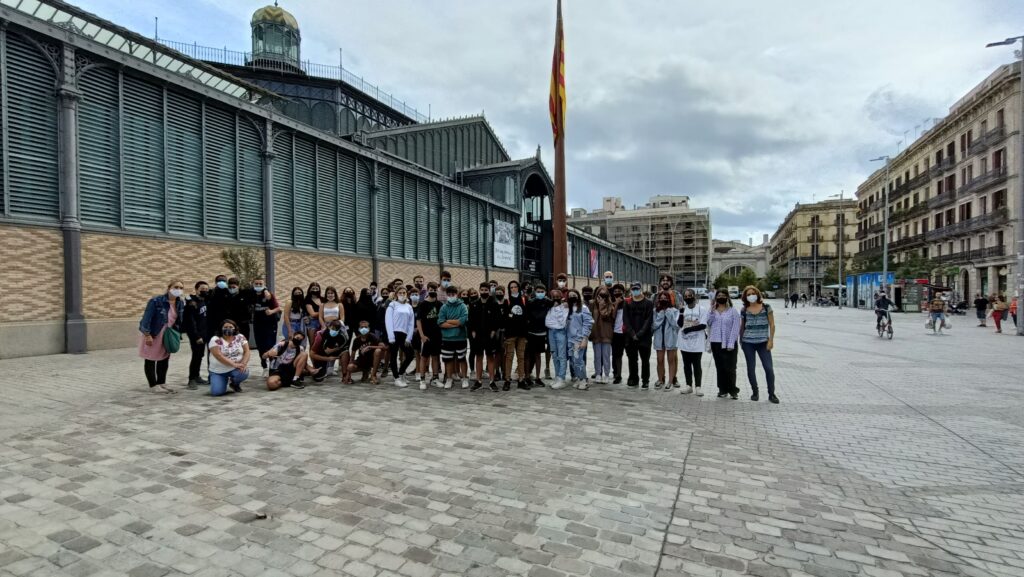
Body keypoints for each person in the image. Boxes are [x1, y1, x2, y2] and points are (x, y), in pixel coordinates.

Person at [139, 279, 186, 394]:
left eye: (181, 288)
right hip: (154, 332)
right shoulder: (156, 301)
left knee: (164, 358)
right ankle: (153, 385)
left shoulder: (180, 302)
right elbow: (146, 318)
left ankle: (162, 382)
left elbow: (179, 320)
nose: (178, 290)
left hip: (168, 334)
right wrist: (147, 334)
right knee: (151, 358)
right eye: (175, 287)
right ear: (169, 288)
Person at [739, 286, 778, 404]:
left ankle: (772, 394)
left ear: (758, 294)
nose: (751, 295)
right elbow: (742, 326)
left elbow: (772, 324)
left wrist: (771, 340)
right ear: (745, 297)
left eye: (753, 293)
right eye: (749, 294)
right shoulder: (744, 309)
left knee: (769, 368)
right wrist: (740, 341)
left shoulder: (766, 307)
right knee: (751, 368)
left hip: (763, 343)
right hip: (748, 343)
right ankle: (755, 392)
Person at [469, 282, 503, 391]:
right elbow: (471, 320)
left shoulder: (494, 304)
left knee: (490, 358)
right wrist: (473, 331)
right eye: (482, 290)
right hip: (478, 336)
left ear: (489, 291)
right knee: (478, 357)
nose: (484, 292)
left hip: (490, 336)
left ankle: (492, 381)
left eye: (486, 290)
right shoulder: (474, 304)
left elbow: (498, 319)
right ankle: (478, 381)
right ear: (479, 290)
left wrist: (493, 330)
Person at [707, 289, 740, 399]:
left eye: (723, 295)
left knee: (730, 368)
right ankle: (722, 389)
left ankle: (732, 390)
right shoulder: (713, 310)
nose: (721, 297)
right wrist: (711, 310)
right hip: (716, 342)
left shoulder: (733, 311)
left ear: (727, 297)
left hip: (729, 343)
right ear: (716, 298)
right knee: (720, 367)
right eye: (719, 295)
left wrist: (731, 343)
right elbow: (709, 323)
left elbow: (735, 328)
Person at [623, 282, 654, 389]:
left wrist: (640, 334)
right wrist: (632, 333)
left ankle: (645, 380)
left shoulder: (648, 303)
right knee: (632, 359)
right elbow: (625, 320)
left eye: (637, 288)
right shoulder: (627, 303)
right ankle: (633, 378)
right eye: (633, 289)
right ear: (631, 290)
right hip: (630, 337)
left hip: (644, 337)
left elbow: (648, 320)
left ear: (640, 289)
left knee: (645, 360)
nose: (635, 291)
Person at [207, 318, 251, 397]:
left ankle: (234, 383)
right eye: (225, 327)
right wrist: (234, 364)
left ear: (235, 328)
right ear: (221, 328)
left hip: (235, 368)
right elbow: (218, 355)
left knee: (244, 372)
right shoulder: (215, 339)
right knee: (216, 392)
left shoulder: (240, 337)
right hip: (218, 370)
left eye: (231, 327)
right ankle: (221, 380)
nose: (228, 329)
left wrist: (243, 363)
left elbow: (247, 351)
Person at [677, 288, 708, 396]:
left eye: (690, 295)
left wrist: (689, 329)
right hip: (684, 342)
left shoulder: (702, 309)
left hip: (697, 342)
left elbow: (703, 325)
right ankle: (689, 386)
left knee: (697, 364)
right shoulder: (683, 309)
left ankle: (698, 387)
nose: (687, 297)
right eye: (685, 296)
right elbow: (680, 324)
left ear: (694, 296)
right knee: (686, 365)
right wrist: (681, 312)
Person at [438, 285, 469, 389]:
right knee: (448, 360)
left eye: (453, 294)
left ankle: (464, 378)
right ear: (447, 295)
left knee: (462, 359)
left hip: (460, 338)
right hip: (447, 339)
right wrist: (456, 324)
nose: (451, 296)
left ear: (457, 295)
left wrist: (448, 321)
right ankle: (449, 379)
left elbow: (463, 321)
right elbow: (441, 322)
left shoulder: (462, 306)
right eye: (449, 294)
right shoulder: (444, 307)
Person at [502, 280, 530, 391]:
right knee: (509, 357)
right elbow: (505, 318)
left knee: (521, 357)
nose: (513, 289)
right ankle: (507, 380)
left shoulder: (524, 300)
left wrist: (526, 334)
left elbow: (527, 317)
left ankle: (521, 380)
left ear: (518, 288)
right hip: (510, 334)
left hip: (522, 334)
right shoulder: (507, 301)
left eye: (515, 287)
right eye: (511, 287)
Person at [385, 287, 416, 388]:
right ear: (396, 294)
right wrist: (391, 337)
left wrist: (409, 337)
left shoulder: (409, 306)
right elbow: (388, 320)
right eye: (400, 292)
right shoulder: (392, 304)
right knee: (393, 356)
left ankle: (401, 372)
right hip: (394, 333)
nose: (402, 294)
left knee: (410, 354)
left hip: (404, 334)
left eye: (404, 292)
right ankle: (396, 377)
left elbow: (411, 323)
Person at [250, 278, 281, 378]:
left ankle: (273, 367)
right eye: (256, 283)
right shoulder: (251, 294)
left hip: (270, 324)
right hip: (257, 324)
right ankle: (264, 367)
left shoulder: (269, 295)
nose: (258, 285)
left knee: (270, 345)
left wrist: (271, 312)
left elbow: (278, 308)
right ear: (253, 284)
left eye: (260, 284)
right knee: (260, 346)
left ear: (264, 285)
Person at [182, 281, 210, 390]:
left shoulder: (206, 300)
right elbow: (190, 321)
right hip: (196, 334)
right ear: (197, 289)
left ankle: (197, 376)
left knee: (201, 355)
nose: (205, 291)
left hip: (206, 332)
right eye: (202, 288)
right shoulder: (191, 302)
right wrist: (196, 336)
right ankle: (191, 379)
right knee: (196, 355)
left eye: (206, 289)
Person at [565, 289, 594, 390]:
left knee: (578, 360)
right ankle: (578, 378)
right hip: (569, 339)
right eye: (570, 295)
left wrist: (585, 338)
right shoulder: (567, 309)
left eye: (574, 295)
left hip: (579, 339)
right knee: (573, 361)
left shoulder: (584, 308)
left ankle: (583, 380)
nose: (572, 297)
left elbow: (588, 323)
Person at [416, 287, 443, 390]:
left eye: (435, 289)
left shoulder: (440, 304)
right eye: (431, 289)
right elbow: (418, 320)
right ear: (428, 290)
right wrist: (422, 335)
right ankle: (422, 379)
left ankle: (435, 378)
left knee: (435, 357)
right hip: (426, 336)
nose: (433, 291)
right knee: (424, 357)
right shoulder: (423, 304)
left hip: (437, 335)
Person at [652, 290, 680, 389]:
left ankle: (670, 381)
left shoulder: (674, 311)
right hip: (659, 339)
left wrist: (668, 314)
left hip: (670, 339)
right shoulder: (655, 311)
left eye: (665, 298)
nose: (663, 299)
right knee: (660, 360)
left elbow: (676, 326)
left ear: (669, 299)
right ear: (659, 299)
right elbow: (654, 326)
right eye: (661, 298)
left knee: (671, 360)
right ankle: (660, 380)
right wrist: (661, 315)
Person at [309, 319, 349, 383]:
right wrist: (327, 359)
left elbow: (343, 348)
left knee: (345, 352)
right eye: (333, 328)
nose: (334, 331)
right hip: (321, 354)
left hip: (334, 351)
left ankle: (345, 375)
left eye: (337, 329)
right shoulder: (320, 336)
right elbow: (312, 354)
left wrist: (334, 350)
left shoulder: (342, 336)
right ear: (328, 326)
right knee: (318, 378)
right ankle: (308, 370)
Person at [347, 320, 386, 384]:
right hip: (362, 360)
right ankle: (365, 371)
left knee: (378, 351)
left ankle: (373, 375)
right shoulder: (356, 340)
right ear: (359, 329)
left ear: (369, 328)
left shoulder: (373, 336)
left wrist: (370, 347)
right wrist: (348, 374)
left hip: (373, 359)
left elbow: (384, 347)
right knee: (350, 367)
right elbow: (352, 355)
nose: (364, 329)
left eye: (365, 327)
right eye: (362, 327)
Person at [590, 285, 616, 384]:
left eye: (604, 294)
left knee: (606, 356)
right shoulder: (592, 304)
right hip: (596, 333)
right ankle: (598, 374)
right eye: (600, 294)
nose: (602, 296)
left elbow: (606, 316)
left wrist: (602, 305)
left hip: (606, 333)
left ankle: (606, 374)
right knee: (597, 356)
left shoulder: (610, 305)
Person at [545, 288, 570, 389]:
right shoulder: (549, 307)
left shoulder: (564, 307)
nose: (555, 299)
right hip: (551, 332)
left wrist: (557, 309)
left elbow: (562, 321)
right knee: (554, 355)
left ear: (561, 297)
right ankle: (557, 377)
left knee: (561, 355)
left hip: (560, 333)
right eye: (553, 297)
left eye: (557, 297)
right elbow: (547, 321)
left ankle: (562, 378)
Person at [610, 283, 627, 385]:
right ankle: (617, 374)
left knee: (629, 355)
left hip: (626, 333)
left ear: (623, 292)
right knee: (616, 355)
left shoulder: (627, 302)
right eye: (615, 291)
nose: (617, 293)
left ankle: (632, 376)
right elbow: (612, 317)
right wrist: (616, 304)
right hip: (616, 333)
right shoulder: (612, 303)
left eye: (619, 291)